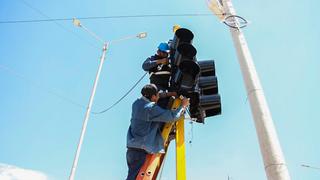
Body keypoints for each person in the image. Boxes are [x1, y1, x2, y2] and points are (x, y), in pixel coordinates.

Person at [126, 84, 189, 180]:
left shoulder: (136, 103)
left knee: (132, 176)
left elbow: (157, 96)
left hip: (132, 149)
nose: (159, 96)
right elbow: (171, 117)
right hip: (141, 151)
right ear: (153, 96)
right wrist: (183, 106)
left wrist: (170, 94)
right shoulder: (150, 109)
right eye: (157, 95)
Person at [142, 42, 176, 108]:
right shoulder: (153, 59)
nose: (166, 54)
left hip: (166, 87)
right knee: (160, 100)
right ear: (159, 51)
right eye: (164, 53)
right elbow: (144, 66)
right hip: (156, 86)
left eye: (167, 53)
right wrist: (159, 61)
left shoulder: (169, 62)